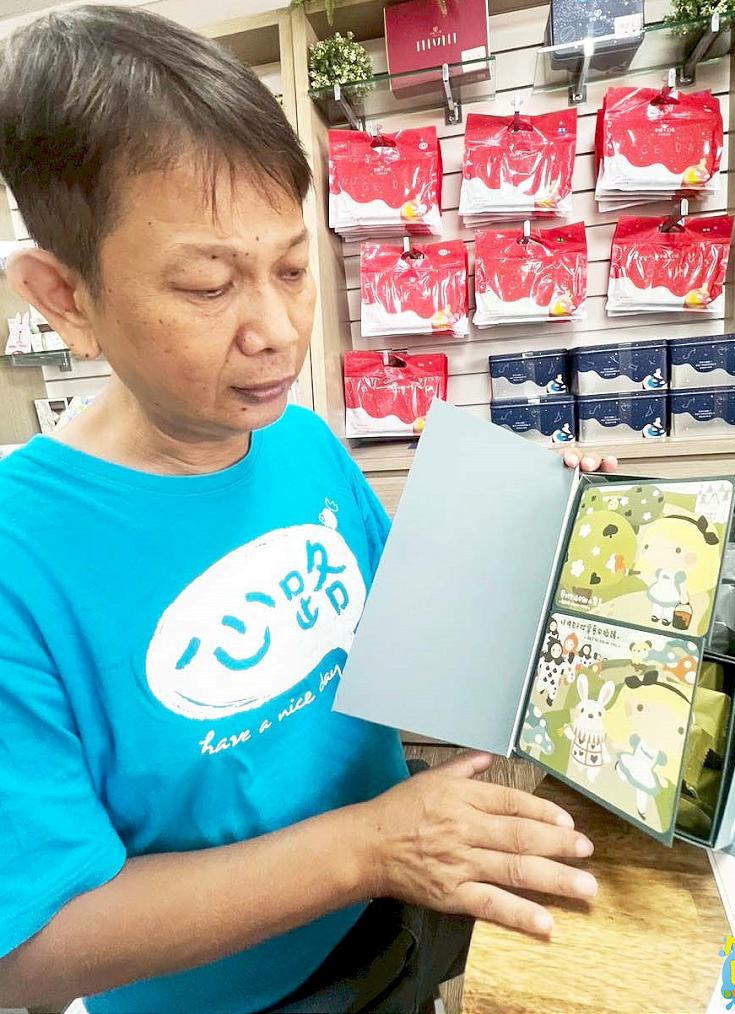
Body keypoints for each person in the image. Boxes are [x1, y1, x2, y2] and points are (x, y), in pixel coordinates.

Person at [0, 7, 618, 1013]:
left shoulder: (299, 441)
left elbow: (402, 653)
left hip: (402, 921)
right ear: (64, 297)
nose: (280, 330)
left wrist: (525, 536)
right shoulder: (19, 557)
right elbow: (29, 948)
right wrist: (369, 847)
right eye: (209, 285)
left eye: (291, 268)